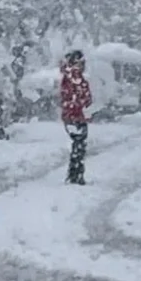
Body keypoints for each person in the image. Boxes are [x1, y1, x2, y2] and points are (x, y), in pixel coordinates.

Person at [60, 50, 92, 185]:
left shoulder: (71, 77)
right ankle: (76, 175)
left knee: (78, 145)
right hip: (75, 116)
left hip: (73, 116)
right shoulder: (74, 78)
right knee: (79, 145)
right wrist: (82, 103)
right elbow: (75, 96)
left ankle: (75, 173)